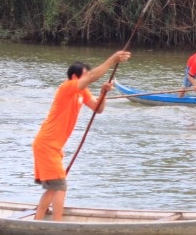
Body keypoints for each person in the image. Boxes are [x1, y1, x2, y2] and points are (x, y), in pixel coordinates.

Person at [32, 50, 131, 221]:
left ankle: (40, 220)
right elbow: (92, 76)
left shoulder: (82, 91)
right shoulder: (67, 87)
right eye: (85, 76)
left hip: (54, 147)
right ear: (74, 77)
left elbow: (98, 109)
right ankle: (55, 223)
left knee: (55, 186)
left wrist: (103, 93)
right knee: (59, 186)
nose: (88, 79)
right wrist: (113, 60)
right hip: (47, 144)